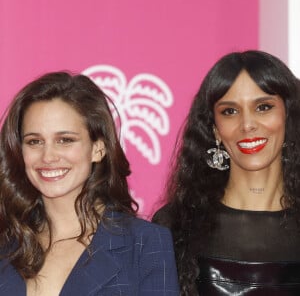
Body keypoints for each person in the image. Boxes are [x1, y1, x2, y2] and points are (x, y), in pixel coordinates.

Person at [0, 71, 179, 295]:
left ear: (98, 148)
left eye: (65, 140)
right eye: (34, 141)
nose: (48, 156)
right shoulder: (7, 246)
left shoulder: (144, 244)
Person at [152, 50, 300, 295]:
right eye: (230, 111)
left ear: (288, 116)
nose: (247, 124)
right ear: (215, 130)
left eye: (263, 107)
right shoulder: (174, 226)